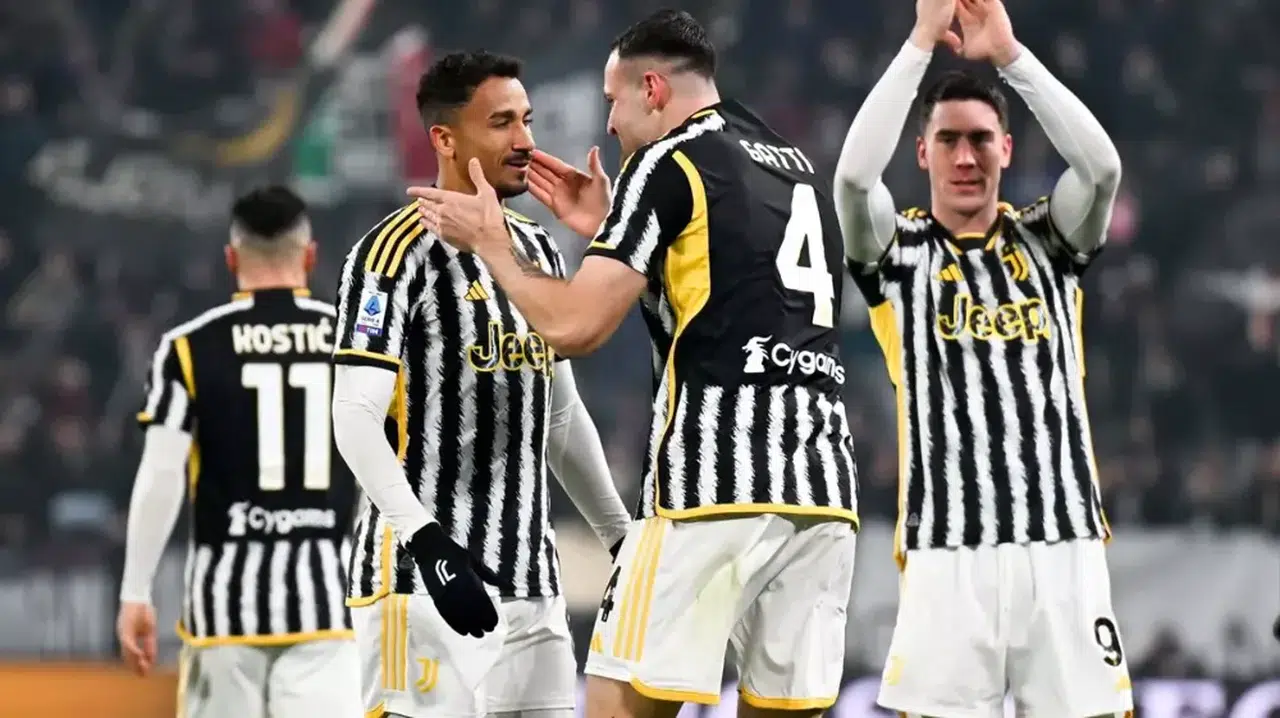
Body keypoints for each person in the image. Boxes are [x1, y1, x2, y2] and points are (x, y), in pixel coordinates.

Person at [410, 11, 859, 718]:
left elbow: (574, 327)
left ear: (652, 89)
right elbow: (728, 289)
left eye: (613, 100)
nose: (610, 124)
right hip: (822, 492)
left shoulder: (668, 160)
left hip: (711, 491)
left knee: (617, 705)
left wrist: (493, 243)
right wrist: (613, 228)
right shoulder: (794, 166)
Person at [832, 0, 1130, 715]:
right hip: (947, 552)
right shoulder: (897, 254)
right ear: (922, 152)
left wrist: (1011, 58)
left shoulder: (1050, 242)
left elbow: (1101, 169)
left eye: (980, 140)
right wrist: (918, 44)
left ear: (1007, 149)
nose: (965, 158)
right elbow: (852, 182)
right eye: (948, 140)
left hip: (1062, 543)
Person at [330, 50, 630, 718]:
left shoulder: (537, 248)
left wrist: (620, 538)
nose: (524, 140)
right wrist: (428, 542)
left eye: (527, 119)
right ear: (444, 138)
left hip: (533, 587)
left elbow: (559, 416)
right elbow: (353, 414)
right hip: (421, 584)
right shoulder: (389, 256)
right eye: (501, 123)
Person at [116, 186, 361, 718]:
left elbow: (161, 475)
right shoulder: (352, 345)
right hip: (330, 601)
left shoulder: (188, 348)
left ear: (231, 259)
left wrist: (135, 591)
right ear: (310, 256)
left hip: (224, 609)